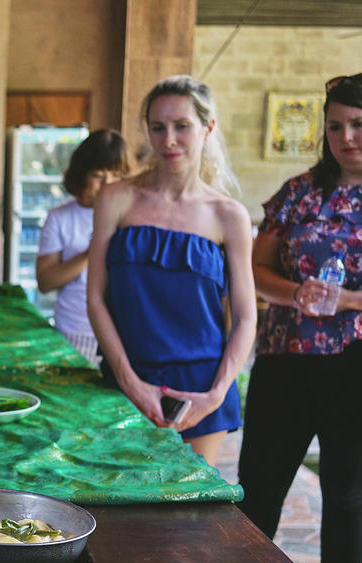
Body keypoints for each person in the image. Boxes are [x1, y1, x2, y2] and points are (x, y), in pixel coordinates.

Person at [237, 72, 362, 563]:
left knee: (349, 490)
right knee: (259, 481)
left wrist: (349, 300)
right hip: (288, 358)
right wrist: (296, 291)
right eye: (335, 126)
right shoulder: (301, 191)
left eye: (359, 124)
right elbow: (253, 269)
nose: (346, 136)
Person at [86, 75, 257, 467]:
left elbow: (246, 318)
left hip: (201, 390)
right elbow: (96, 298)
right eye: (158, 127)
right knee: (117, 507)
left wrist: (215, 395)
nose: (169, 140)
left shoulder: (228, 215)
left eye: (182, 126)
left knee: (185, 520)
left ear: (207, 127)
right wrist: (129, 380)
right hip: (124, 378)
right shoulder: (116, 199)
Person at [36, 129, 130, 365]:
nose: (107, 185)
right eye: (99, 176)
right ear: (81, 175)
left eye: (115, 176)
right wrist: (92, 251)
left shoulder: (131, 217)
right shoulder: (60, 218)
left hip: (122, 334)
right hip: (75, 331)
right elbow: (45, 282)